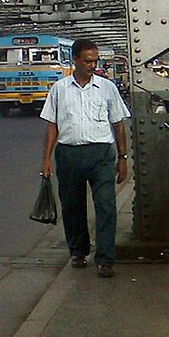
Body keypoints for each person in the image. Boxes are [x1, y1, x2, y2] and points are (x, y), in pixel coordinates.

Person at [39, 38, 131, 278]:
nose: (92, 65)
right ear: (75, 61)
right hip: (69, 155)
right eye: (88, 61)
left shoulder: (107, 88)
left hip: (101, 155)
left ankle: (105, 259)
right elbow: (52, 126)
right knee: (72, 207)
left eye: (95, 61)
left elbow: (118, 123)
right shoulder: (59, 89)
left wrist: (122, 157)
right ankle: (78, 251)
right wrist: (46, 159)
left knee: (106, 205)